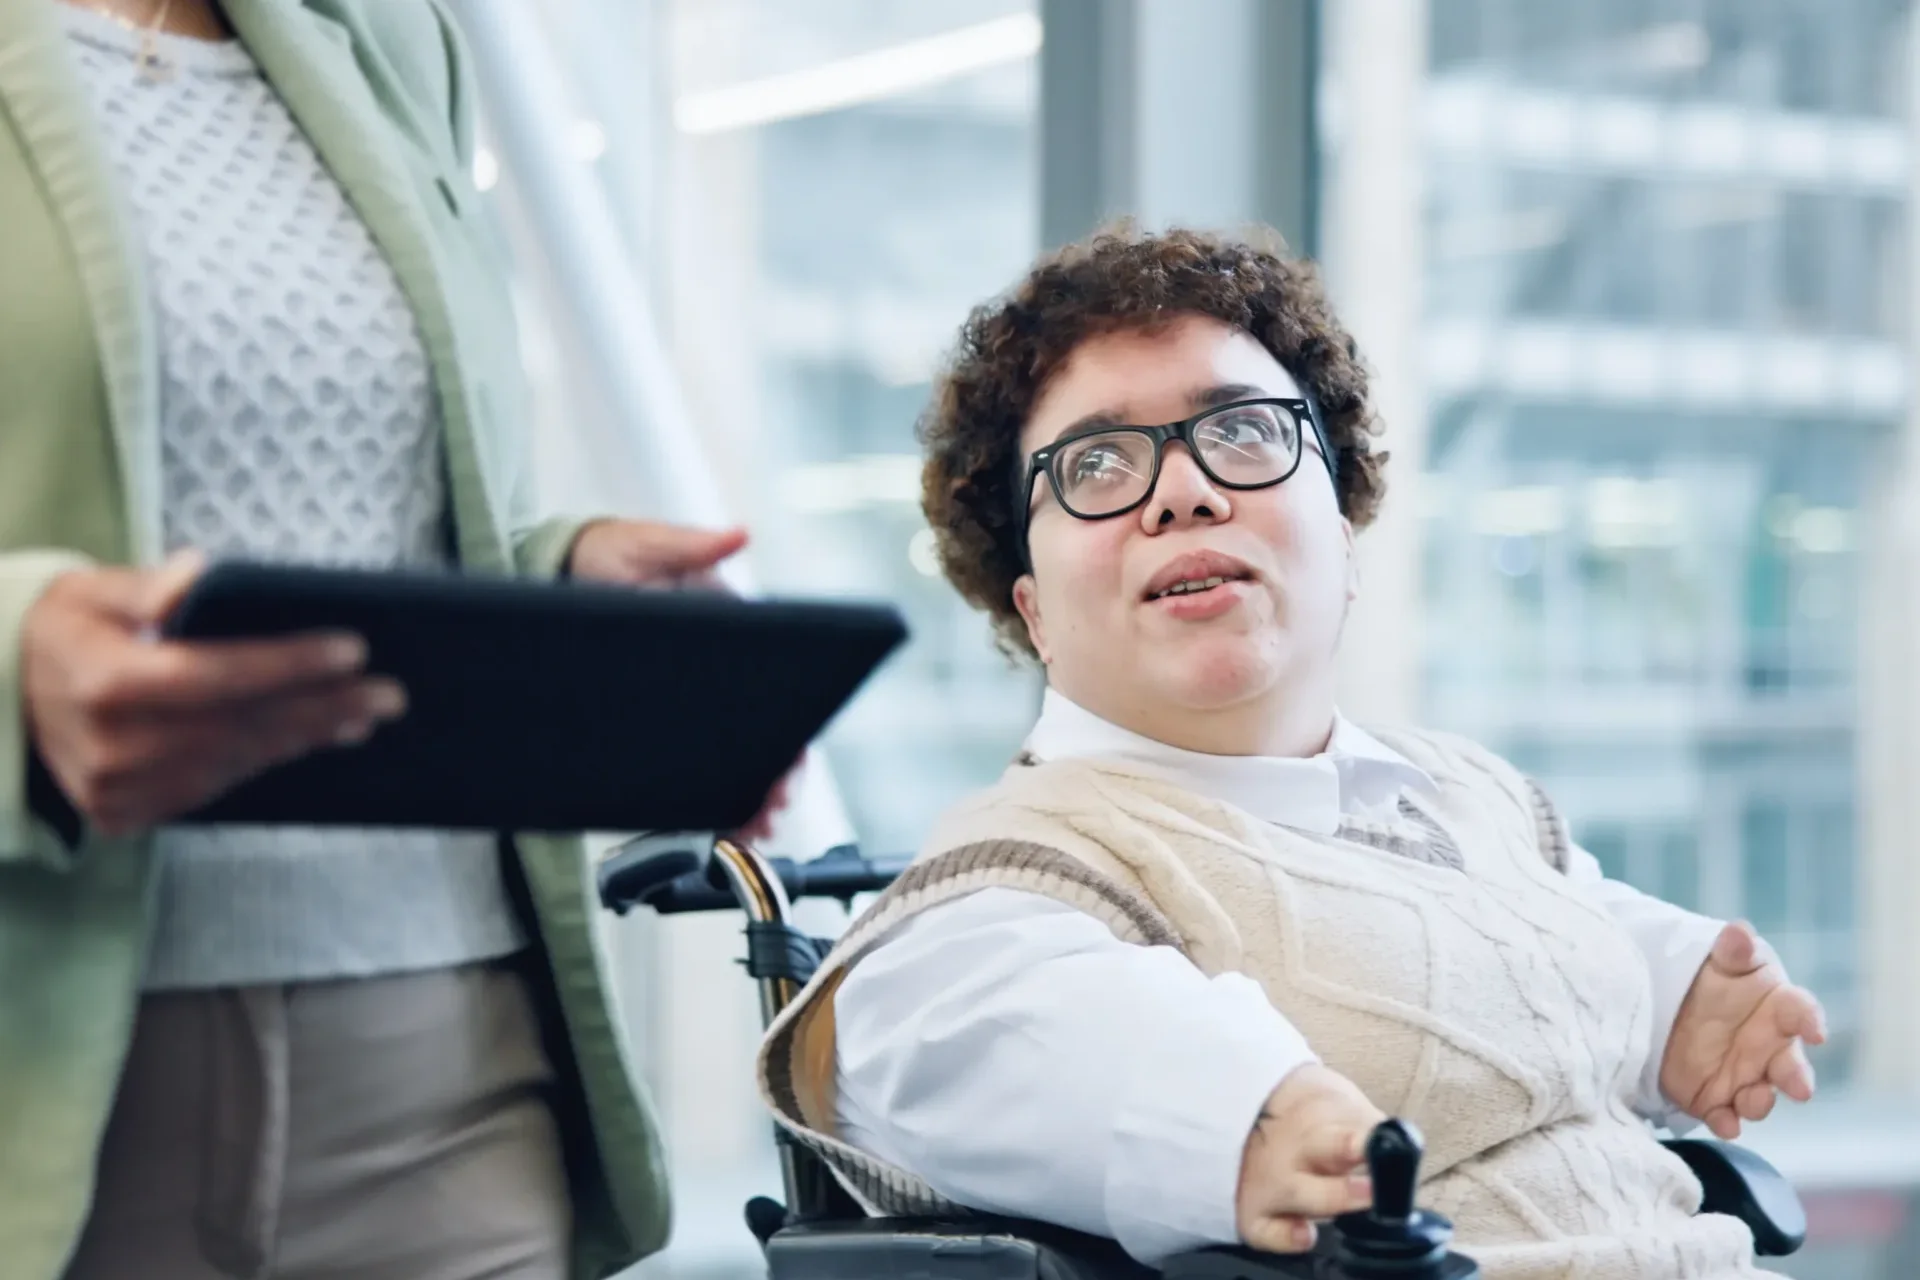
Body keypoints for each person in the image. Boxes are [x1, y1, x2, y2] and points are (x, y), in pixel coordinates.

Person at [756, 226, 1827, 1280]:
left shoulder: (1469, 797)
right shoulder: (1022, 874)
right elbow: (935, 1021)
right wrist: (1243, 1116)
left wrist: (1675, 995)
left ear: (1345, 536)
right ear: (1031, 606)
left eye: (1244, 433)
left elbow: (1546, 950)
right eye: (1095, 462)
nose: (1182, 491)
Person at [1, 2, 786, 1277]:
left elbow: (398, 521)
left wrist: (558, 593)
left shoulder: (391, 38)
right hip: (43, 1073)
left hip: (440, 1076)